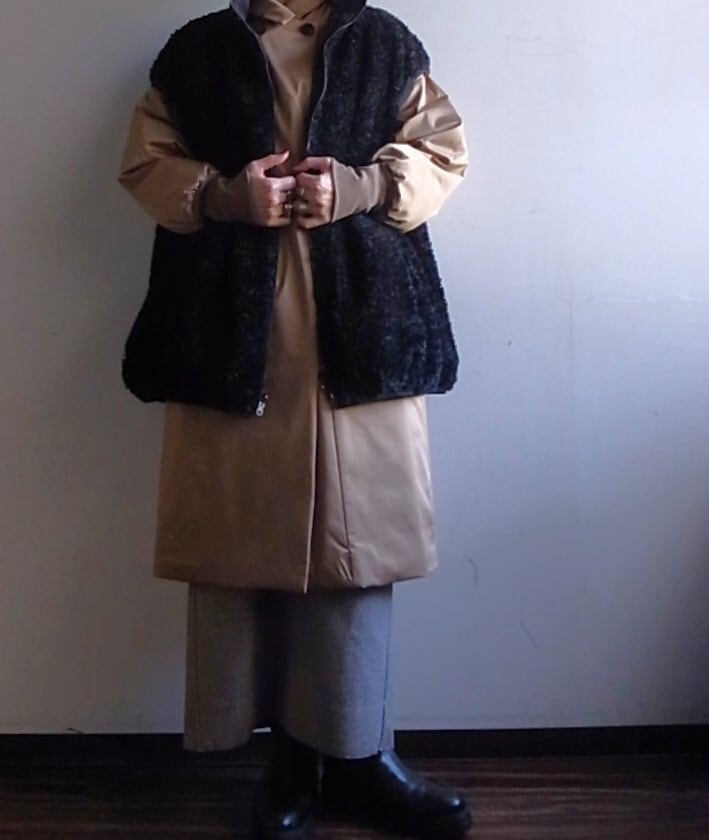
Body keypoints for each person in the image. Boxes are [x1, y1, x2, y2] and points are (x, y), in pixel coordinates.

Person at [118, 1, 470, 837]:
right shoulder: (200, 49)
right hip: (232, 338)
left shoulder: (382, 42)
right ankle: (288, 764)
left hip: (363, 337)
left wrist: (363, 185)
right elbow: (145, 161)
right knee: (243, 556)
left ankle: (358, 758)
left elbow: (442, 151)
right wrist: (222, 196)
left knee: (359, 554)